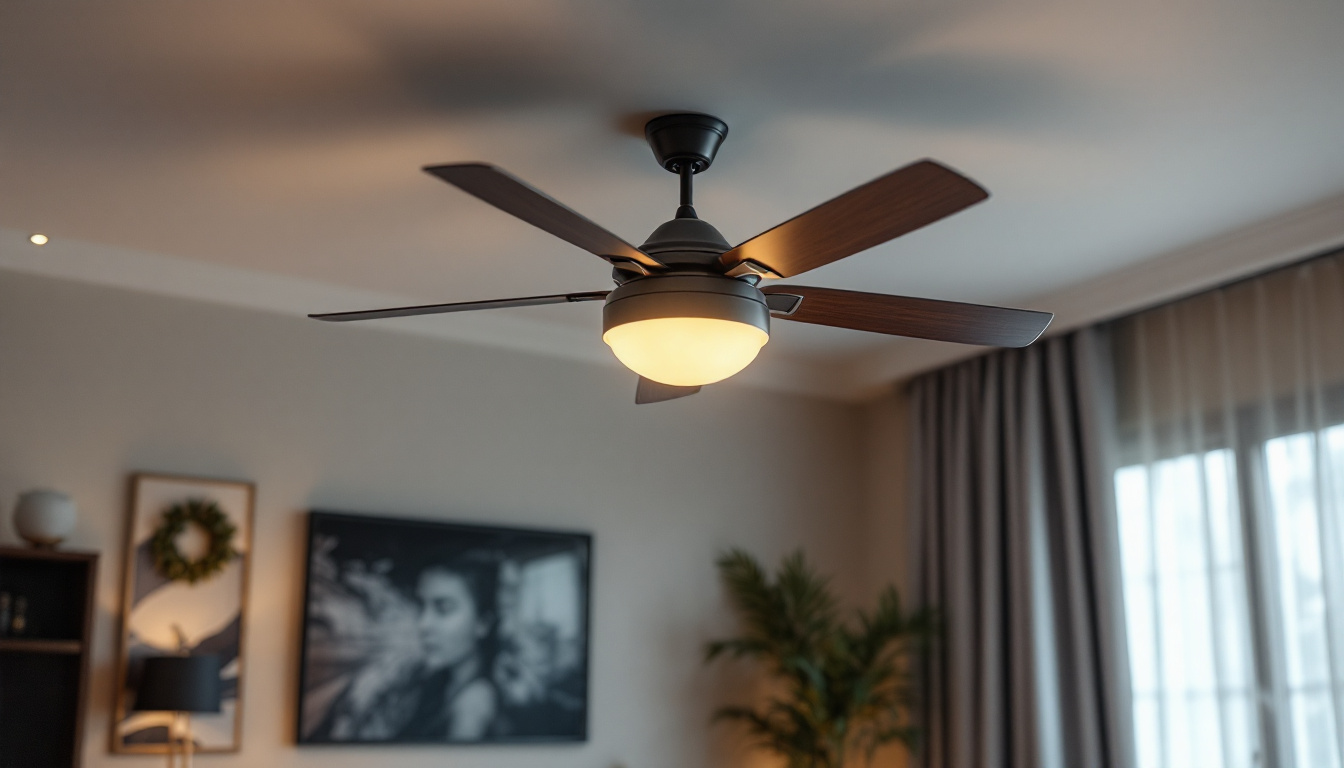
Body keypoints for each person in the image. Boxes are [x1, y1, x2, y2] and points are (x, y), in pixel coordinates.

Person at [397, 555, 501, 741]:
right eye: (421, 606)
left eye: (443, 608)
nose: (424, 624)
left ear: (483, 623)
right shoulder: (439, 684)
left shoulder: (474, 704)